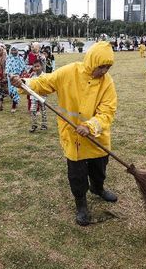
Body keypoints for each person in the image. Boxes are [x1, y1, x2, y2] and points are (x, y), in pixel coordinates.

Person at [11, 41, 117, 226]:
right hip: (73, 136)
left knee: (99, 169)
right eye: (102, 66)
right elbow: (44, 82)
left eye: (108, 67)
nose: (105, 71)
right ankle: (81, 204)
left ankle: (98, 188)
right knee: (77, 174)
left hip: (96, 137)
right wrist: (25, 83)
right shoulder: (69, 72)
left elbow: (107, 111)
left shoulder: (107, 83)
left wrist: (91, 126)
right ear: (92, 62)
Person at [28, 60, 48, 132]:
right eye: (35, 66)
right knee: (32, 110)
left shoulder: (44, 76)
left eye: (38, 66)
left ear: (41, 67)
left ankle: (44, 125)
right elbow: (29, 84)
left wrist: (45, 92)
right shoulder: (32, 75)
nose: (36, 68)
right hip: (34, 96)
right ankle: (34, 125)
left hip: (42, 96)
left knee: (43, 110)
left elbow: (46, 86)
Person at [5, 46, 24, 112]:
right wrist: (8, 74)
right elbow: (7, 67)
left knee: (15, 91)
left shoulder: (20, 58)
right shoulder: (8, 58)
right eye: (12, 50)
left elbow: (22, 67)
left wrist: (19, 75)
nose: (13, 52)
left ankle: (14, 105)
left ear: (17, 50)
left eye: (15, 50)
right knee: (10, 92)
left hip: (16, 76)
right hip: (9, 76)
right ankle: (15, 101)